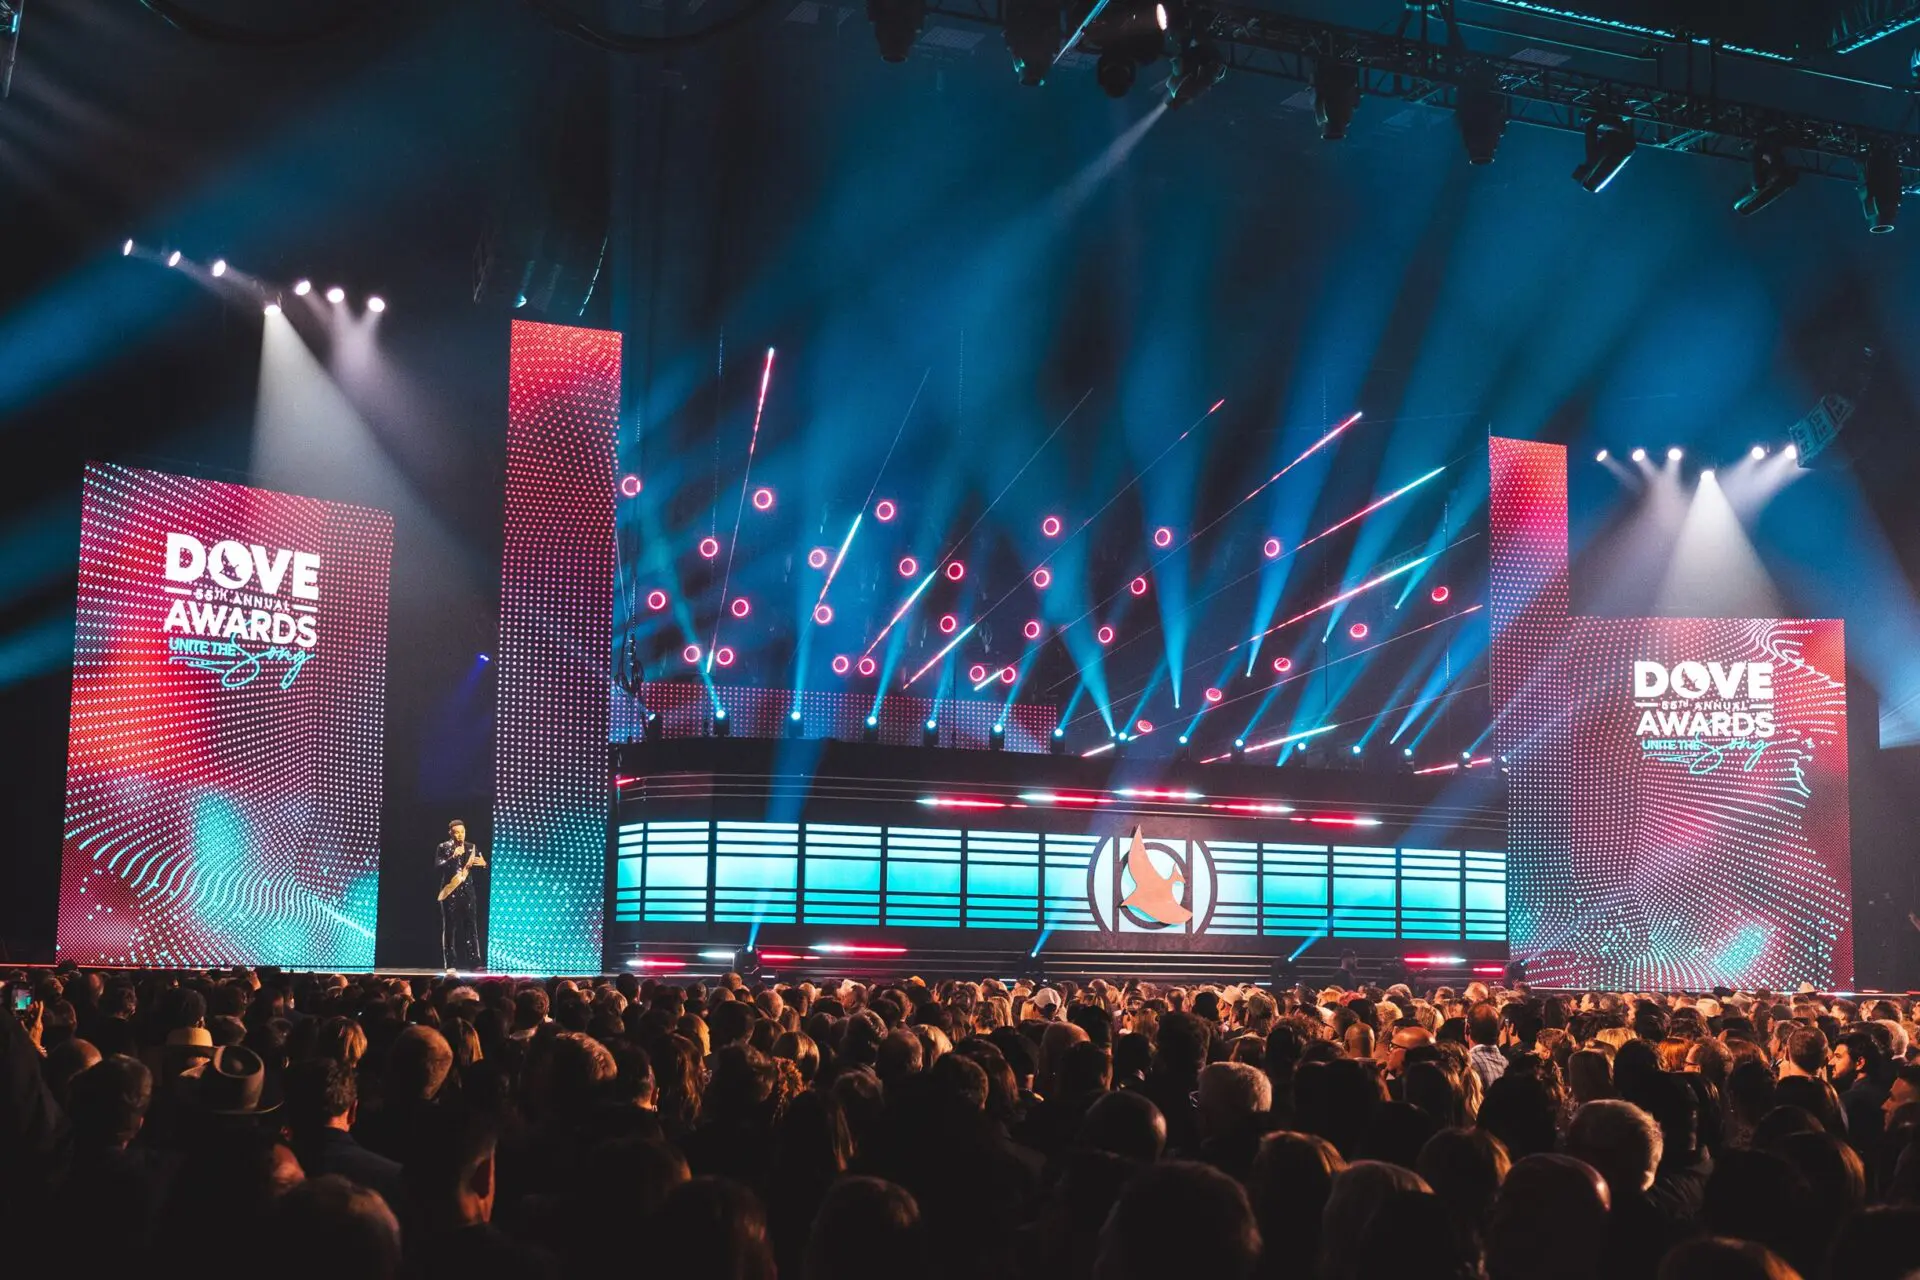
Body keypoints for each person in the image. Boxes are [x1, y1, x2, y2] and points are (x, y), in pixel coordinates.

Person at [436, 819, 488, 971]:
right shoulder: (443, 847)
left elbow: (481, 870)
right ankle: (450, 964)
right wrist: (452, 857)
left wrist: (484, 865)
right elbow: (438, 867)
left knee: (471, 927)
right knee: (450, 927)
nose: (460, 835)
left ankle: (475, 963)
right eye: (457, 832)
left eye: (462, 832)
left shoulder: (471, 847)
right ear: (450, 833)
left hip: (468, 892)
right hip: (450, 892)